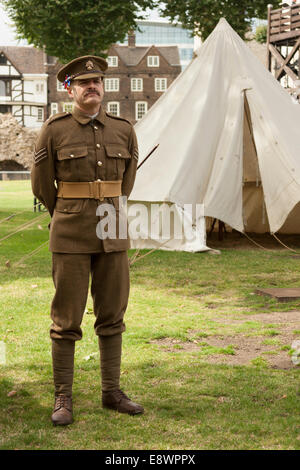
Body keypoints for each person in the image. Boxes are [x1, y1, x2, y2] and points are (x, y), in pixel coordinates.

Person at [31, 55, 143, 426]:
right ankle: (63, 397)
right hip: (70, 231)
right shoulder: (54, 130)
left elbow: (127, 181)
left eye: (96, 81)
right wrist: (66, 213)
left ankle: (111, 391)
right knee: (66, 318)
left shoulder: (124, 129)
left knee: (113, 313)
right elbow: (41, 184)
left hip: (112, 228)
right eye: (83, 83)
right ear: (71, 90)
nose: (92, 87)